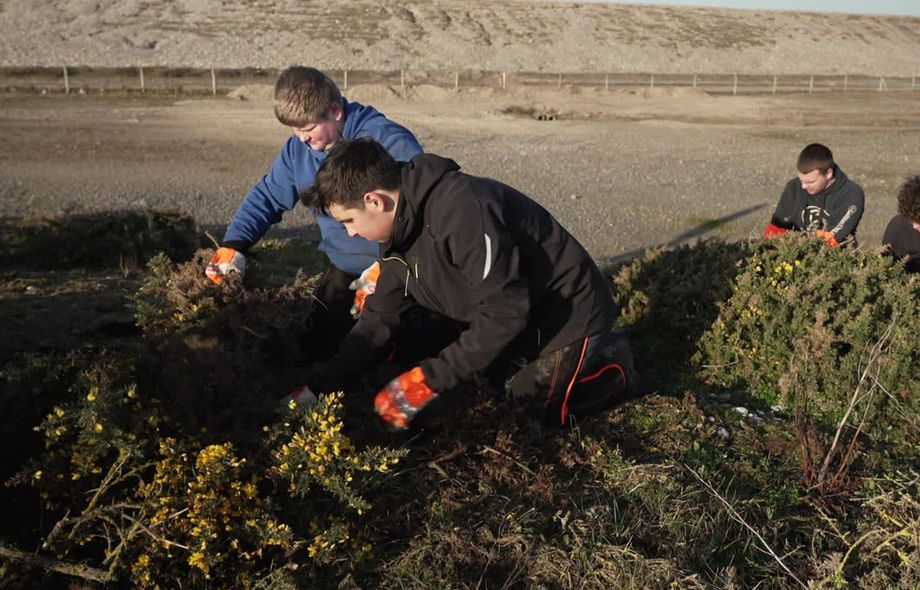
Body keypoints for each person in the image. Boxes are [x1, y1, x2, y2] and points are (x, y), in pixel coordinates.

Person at [289, 138, 635, 429]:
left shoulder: (463, 211)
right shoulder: (398, 234)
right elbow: (379, 319)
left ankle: (613, 362)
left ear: (374, 201)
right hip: (514, 317)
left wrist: (430, 380)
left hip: (566, 315)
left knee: (531, 412)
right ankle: (522, 363)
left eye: (348, 221)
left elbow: (504, 314)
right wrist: (319, 388)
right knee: (487, 387)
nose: (350, 232)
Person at [204, 66, 423, 361]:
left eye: (307, 129)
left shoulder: (388, 142)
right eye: (295, 130)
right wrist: (234, 246)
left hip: (400, 270)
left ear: (335, 111)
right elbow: (268, 196)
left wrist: (390, 266)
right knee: (317, 351)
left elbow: (423, 205)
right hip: (343, 268)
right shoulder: (298, 150)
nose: (302, 138)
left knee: (388, 357)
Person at [763, 143, 865, 246]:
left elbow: (831, 239)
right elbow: (775, 230)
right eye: (801, 180)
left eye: (810, 182)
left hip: (833, 256)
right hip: (792, 252)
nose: (803, 186)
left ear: (828, 173)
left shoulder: (852, 194)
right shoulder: (793, 187)